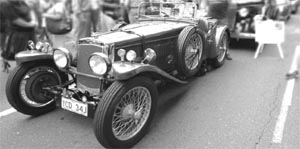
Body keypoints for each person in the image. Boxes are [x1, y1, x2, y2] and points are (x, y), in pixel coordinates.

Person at [1, 0, 37, 72]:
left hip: (29, 32)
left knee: (33, 51)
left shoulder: (22, 2)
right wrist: (31, 24)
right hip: (17, 33)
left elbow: (30, 11)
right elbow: (14, 20)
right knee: (18, 53)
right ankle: (21, 72)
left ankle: (31, 70)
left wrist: (33, 21)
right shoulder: (5, 3)